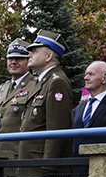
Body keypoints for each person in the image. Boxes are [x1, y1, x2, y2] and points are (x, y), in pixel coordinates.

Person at [18, 30, 74, 159]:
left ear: (48, 56)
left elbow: (57, 128)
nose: (29, 55)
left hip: (41, 164)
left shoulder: (57, 82)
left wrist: (49, 166)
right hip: (30, 161)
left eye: (35, 51)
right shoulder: (42, 81)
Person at [0, 39, 35, 158]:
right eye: (10, 59)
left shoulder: (36, 85)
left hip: (21, 156)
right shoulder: (2, 88)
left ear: (28, 61)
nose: (13, 62)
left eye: (19, 59)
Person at [71, 61, 106, 155]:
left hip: (102, 162)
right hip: (78, 164)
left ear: (104, 78)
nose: (86, 78)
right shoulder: (80, 107)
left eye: (91, 74)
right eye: (86, 74)